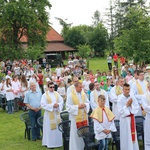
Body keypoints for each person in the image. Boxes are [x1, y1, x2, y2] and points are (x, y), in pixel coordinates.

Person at [66, 82, 89, 150]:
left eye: (82, 87)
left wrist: (85, 105)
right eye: (80, 87)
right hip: (76, 119)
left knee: (83, 134)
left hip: (83, 118)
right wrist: (77, 107)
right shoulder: (70, 95)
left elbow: (88, 102)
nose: (81, 88)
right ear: (75, 87)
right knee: (76, 135)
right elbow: (68, 107)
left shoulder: (83, 94)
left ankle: (83, 147)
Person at [41, 82, 63, 149]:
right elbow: (43, 104)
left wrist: (58, 105)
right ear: (48, 87)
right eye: (50, 87)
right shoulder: (45, 95)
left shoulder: (57, 94)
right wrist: (52, 106)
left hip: (56, 114)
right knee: (49, 129)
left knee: (57, 129)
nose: (52, 88)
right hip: (49, 114)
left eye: (53, 87)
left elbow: (61, 101)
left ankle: (58, 143)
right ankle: (49, 143)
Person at [117, 83, 139, 150]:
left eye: (128, 89)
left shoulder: (132, 97)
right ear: (122, 90)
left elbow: (136, 107)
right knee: (126, 137)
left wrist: (131, 106)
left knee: (132, 136)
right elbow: (120, 112)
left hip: (131, 119)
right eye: (126, 89)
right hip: (125, 120)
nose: (127, 91)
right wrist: (127, 105)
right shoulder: (120, 99)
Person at [142, 82, 150, 150]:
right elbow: (145, 107)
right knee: (148, 135)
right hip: (149, 117)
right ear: (148, 87)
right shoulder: (145, 96)